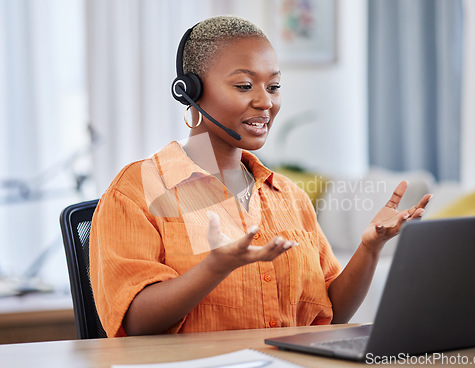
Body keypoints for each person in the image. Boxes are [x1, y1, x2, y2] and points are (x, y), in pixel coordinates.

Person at [89, 16, 431, 338]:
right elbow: (132, 323)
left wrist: (369, 247)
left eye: (274, 86)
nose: (265, 102)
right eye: (244, 85)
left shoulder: (289, 196)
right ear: (190, 91)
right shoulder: (139, 188)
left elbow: (330, 315)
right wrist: (214, 268)